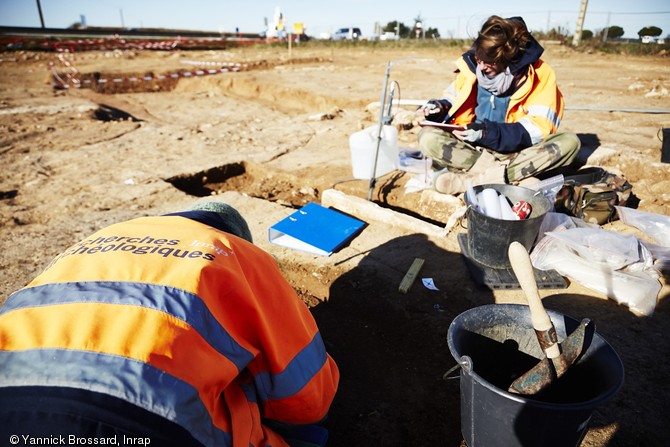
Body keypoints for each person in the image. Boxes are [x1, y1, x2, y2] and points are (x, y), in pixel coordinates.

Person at [0, 201, 339, 447]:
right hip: (141, 421)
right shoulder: (234, 252)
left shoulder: (90, 244)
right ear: (235, 235)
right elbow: (308, 399)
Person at [418, 15, 581, 195]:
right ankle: (514, 179)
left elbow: (536, 130)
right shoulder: (473, 66)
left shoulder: (541, 74)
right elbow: (453, 98)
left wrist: (486, 132)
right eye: (479, 58)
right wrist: (438, 107)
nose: (481, 66)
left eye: (489, 62)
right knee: (427, 137)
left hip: (518, 152)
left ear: (508, 58)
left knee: (570, 142)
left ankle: (473, 182)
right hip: (474, 149)